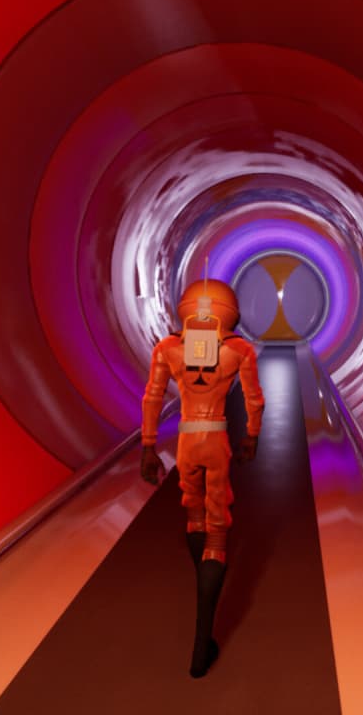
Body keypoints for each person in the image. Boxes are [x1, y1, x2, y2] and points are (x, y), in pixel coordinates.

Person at [139, 276, 263, 678]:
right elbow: (254, 399)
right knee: (217, 527)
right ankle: (201, 642)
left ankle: (202, 575)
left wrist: (148, 446)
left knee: (193, 513)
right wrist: (251, 437)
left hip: (186, 441)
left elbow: (152, 397)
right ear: (231, 313)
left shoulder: (167, 348)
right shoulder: (239, 350)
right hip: (216, 439)